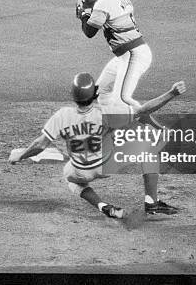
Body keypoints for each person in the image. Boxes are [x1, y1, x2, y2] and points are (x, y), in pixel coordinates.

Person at [9, 72, 186, 219]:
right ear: (94, 95)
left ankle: (102, 206)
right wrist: (172, 93)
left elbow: (40, 144)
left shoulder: (62, 115)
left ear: (74, 96)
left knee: (69, 177)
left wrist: (21, 156)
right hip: (107, 167)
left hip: (80, 171)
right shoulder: (105, 113)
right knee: (148, 149)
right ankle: (151, 203)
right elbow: (144, 110)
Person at [75, 0, 175, 215]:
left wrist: (82, 14)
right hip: (123, 56)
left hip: (134, 55)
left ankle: (155, 129)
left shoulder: (104, 4)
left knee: (123, 98)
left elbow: (89, 33)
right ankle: (103, 135)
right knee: (100, 91)